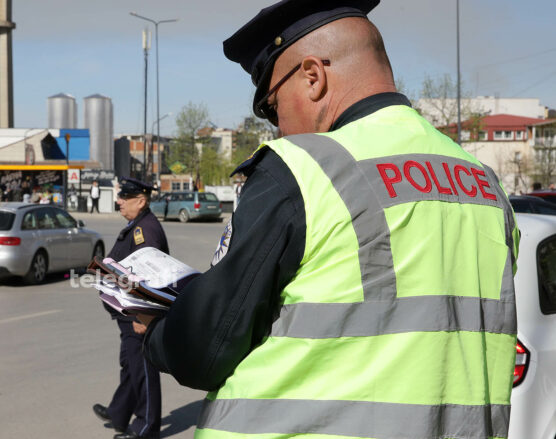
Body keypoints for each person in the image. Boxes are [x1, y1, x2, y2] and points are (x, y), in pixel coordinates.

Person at [139, 1, 519, 438]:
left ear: (313, 76)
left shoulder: (305, 168)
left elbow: (203, 351)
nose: (277, 127)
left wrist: (155, 331)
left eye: (271, 106)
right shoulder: (487, 185)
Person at [92, 177, 169, 439]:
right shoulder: (136, 225)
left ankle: (147, 428)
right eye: (120, 196)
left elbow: (150, 276)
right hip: (127, 312)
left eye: (125, 197)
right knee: (131, 365)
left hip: (138, 314)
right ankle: (119, 412)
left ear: (142, 200)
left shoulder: (144, 230)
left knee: (143, 369)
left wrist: (143, 314)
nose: (119, 201)